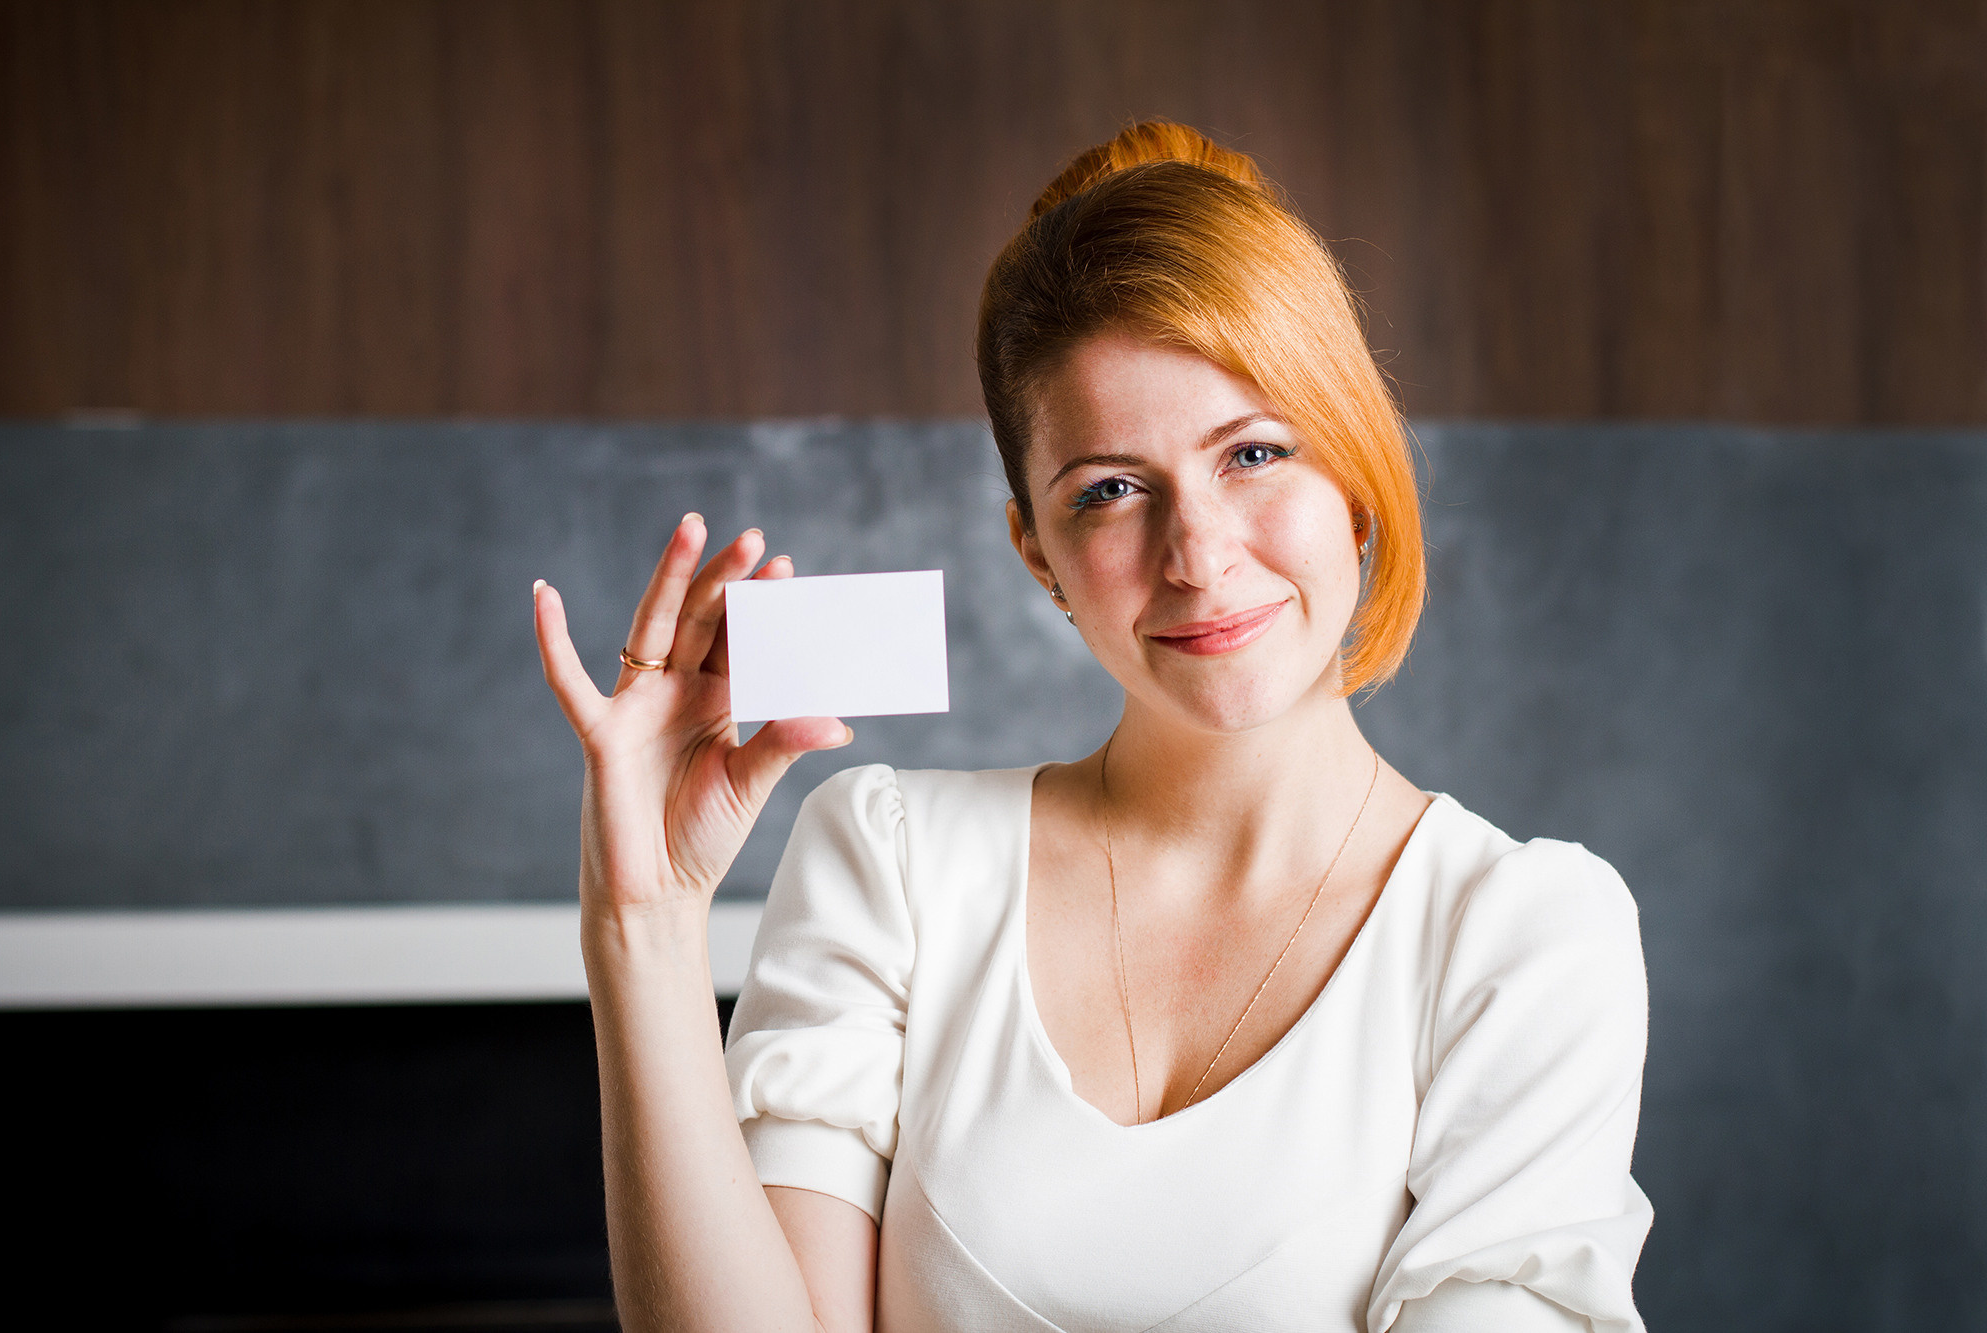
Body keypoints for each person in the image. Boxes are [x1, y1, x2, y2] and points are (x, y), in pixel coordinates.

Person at [533, 121, 1652, 1333]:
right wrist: (641, 926)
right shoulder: (893, 861)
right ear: (1038, 553)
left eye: (1254, 453)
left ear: (1359, 482)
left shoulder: (1522, 936)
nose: (1197, 555)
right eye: (1110, 490)